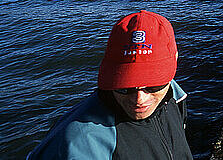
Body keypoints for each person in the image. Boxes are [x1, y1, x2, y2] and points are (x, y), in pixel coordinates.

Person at [28, 10, 193, 159]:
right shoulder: (82, 143)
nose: (139, 99)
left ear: (175, 60)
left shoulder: (174, 96)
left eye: (153, 84)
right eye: (125, 87)